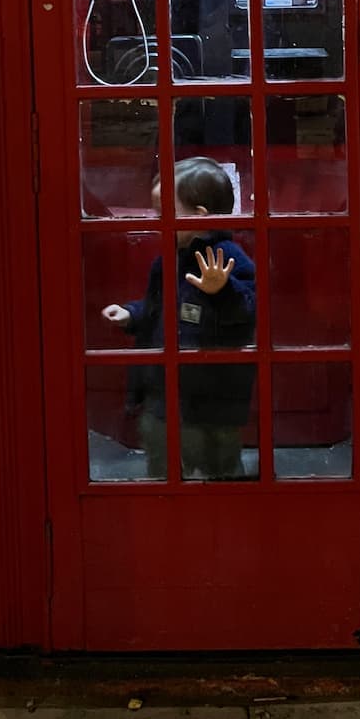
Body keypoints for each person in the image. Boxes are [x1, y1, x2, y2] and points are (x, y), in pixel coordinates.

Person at [101, 157, 256, 480]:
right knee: (163, 465)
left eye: (163, 212)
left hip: (215, 401)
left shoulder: (229, 259)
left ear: (199, 216)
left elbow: (248, 312)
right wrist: (131, 314)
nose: (157, 219)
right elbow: (157, 309)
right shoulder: (167, 261)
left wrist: (222, 290)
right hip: (163, 396)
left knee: (222, 468)